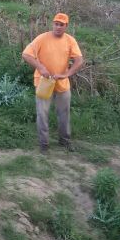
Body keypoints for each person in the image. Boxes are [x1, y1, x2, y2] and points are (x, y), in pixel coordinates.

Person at [21, 13, 84, 153]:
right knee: (42, 114)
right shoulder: (42, 38)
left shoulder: (70, 40)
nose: (58, 27)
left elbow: (79, 60)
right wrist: (41, 67)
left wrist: (67, 74)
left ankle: (65, 141)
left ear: (66, 26)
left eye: (61, 24)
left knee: (64, 113)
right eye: (56, 23)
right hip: (43, 83)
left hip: (62, 84)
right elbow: (26, 54)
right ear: (52, 24)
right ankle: (44, 144)